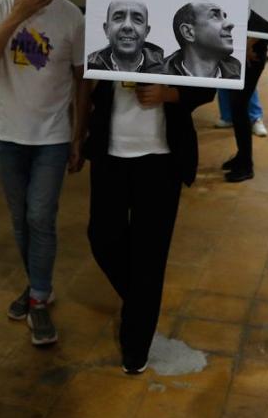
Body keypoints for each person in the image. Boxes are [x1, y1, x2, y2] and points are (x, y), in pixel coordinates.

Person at [0, 0, 87, 347]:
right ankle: (38, 284)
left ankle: (38, 297)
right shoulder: (0, 9)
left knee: (41, 215)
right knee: (20, 219)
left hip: (51, 135)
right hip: (6, 132)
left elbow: (81, 81)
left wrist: (78, 135)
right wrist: (17, 16)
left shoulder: (71, 16)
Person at [82, 72, 214, 374]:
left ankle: (136, 344)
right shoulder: (106, 24)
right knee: (102, 237)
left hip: (162, 157)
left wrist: (168, 93)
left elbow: (209, 87)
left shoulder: (184, 26)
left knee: (150, 253)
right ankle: (142, 304)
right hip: (109, 150)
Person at [221, 38, 268, 182]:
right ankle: (242, 156)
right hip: (241, 50)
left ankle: (247, 166)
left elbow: (265, 22)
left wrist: (248, 45)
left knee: (240, 107)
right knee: (236, 108)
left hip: (252, 52)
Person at [162, 2, 241, 79]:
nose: (230, 24)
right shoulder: (158, 79)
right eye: (214, 16)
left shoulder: (240, 76)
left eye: (224, 17)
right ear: (188, 32)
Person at [86, 0, 165, 73]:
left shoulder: (165, 70)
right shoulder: (88, 66)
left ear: (146, 32)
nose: (127, 25)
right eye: (118, 18)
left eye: (137, 19)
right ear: (106, 29)